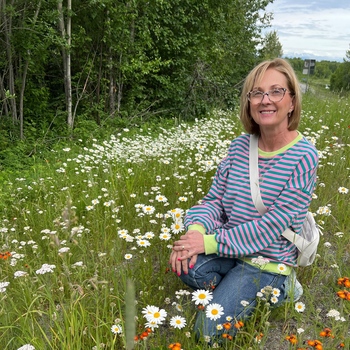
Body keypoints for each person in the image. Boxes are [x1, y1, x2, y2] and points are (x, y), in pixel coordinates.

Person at [169, 58, 318, 341]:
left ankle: (284, 288)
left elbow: (272, 226)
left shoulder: (304, 156)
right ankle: (234, 287)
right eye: (257, 93)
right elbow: (213, 200)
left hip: (268, 261)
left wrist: (208, 243)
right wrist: (193, 234)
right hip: (232, 251)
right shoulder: (239, 147)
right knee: (184, 263)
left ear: (292, 101)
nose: (265, 100)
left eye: (276, 91)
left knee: (206, 333)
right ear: (249, 101)